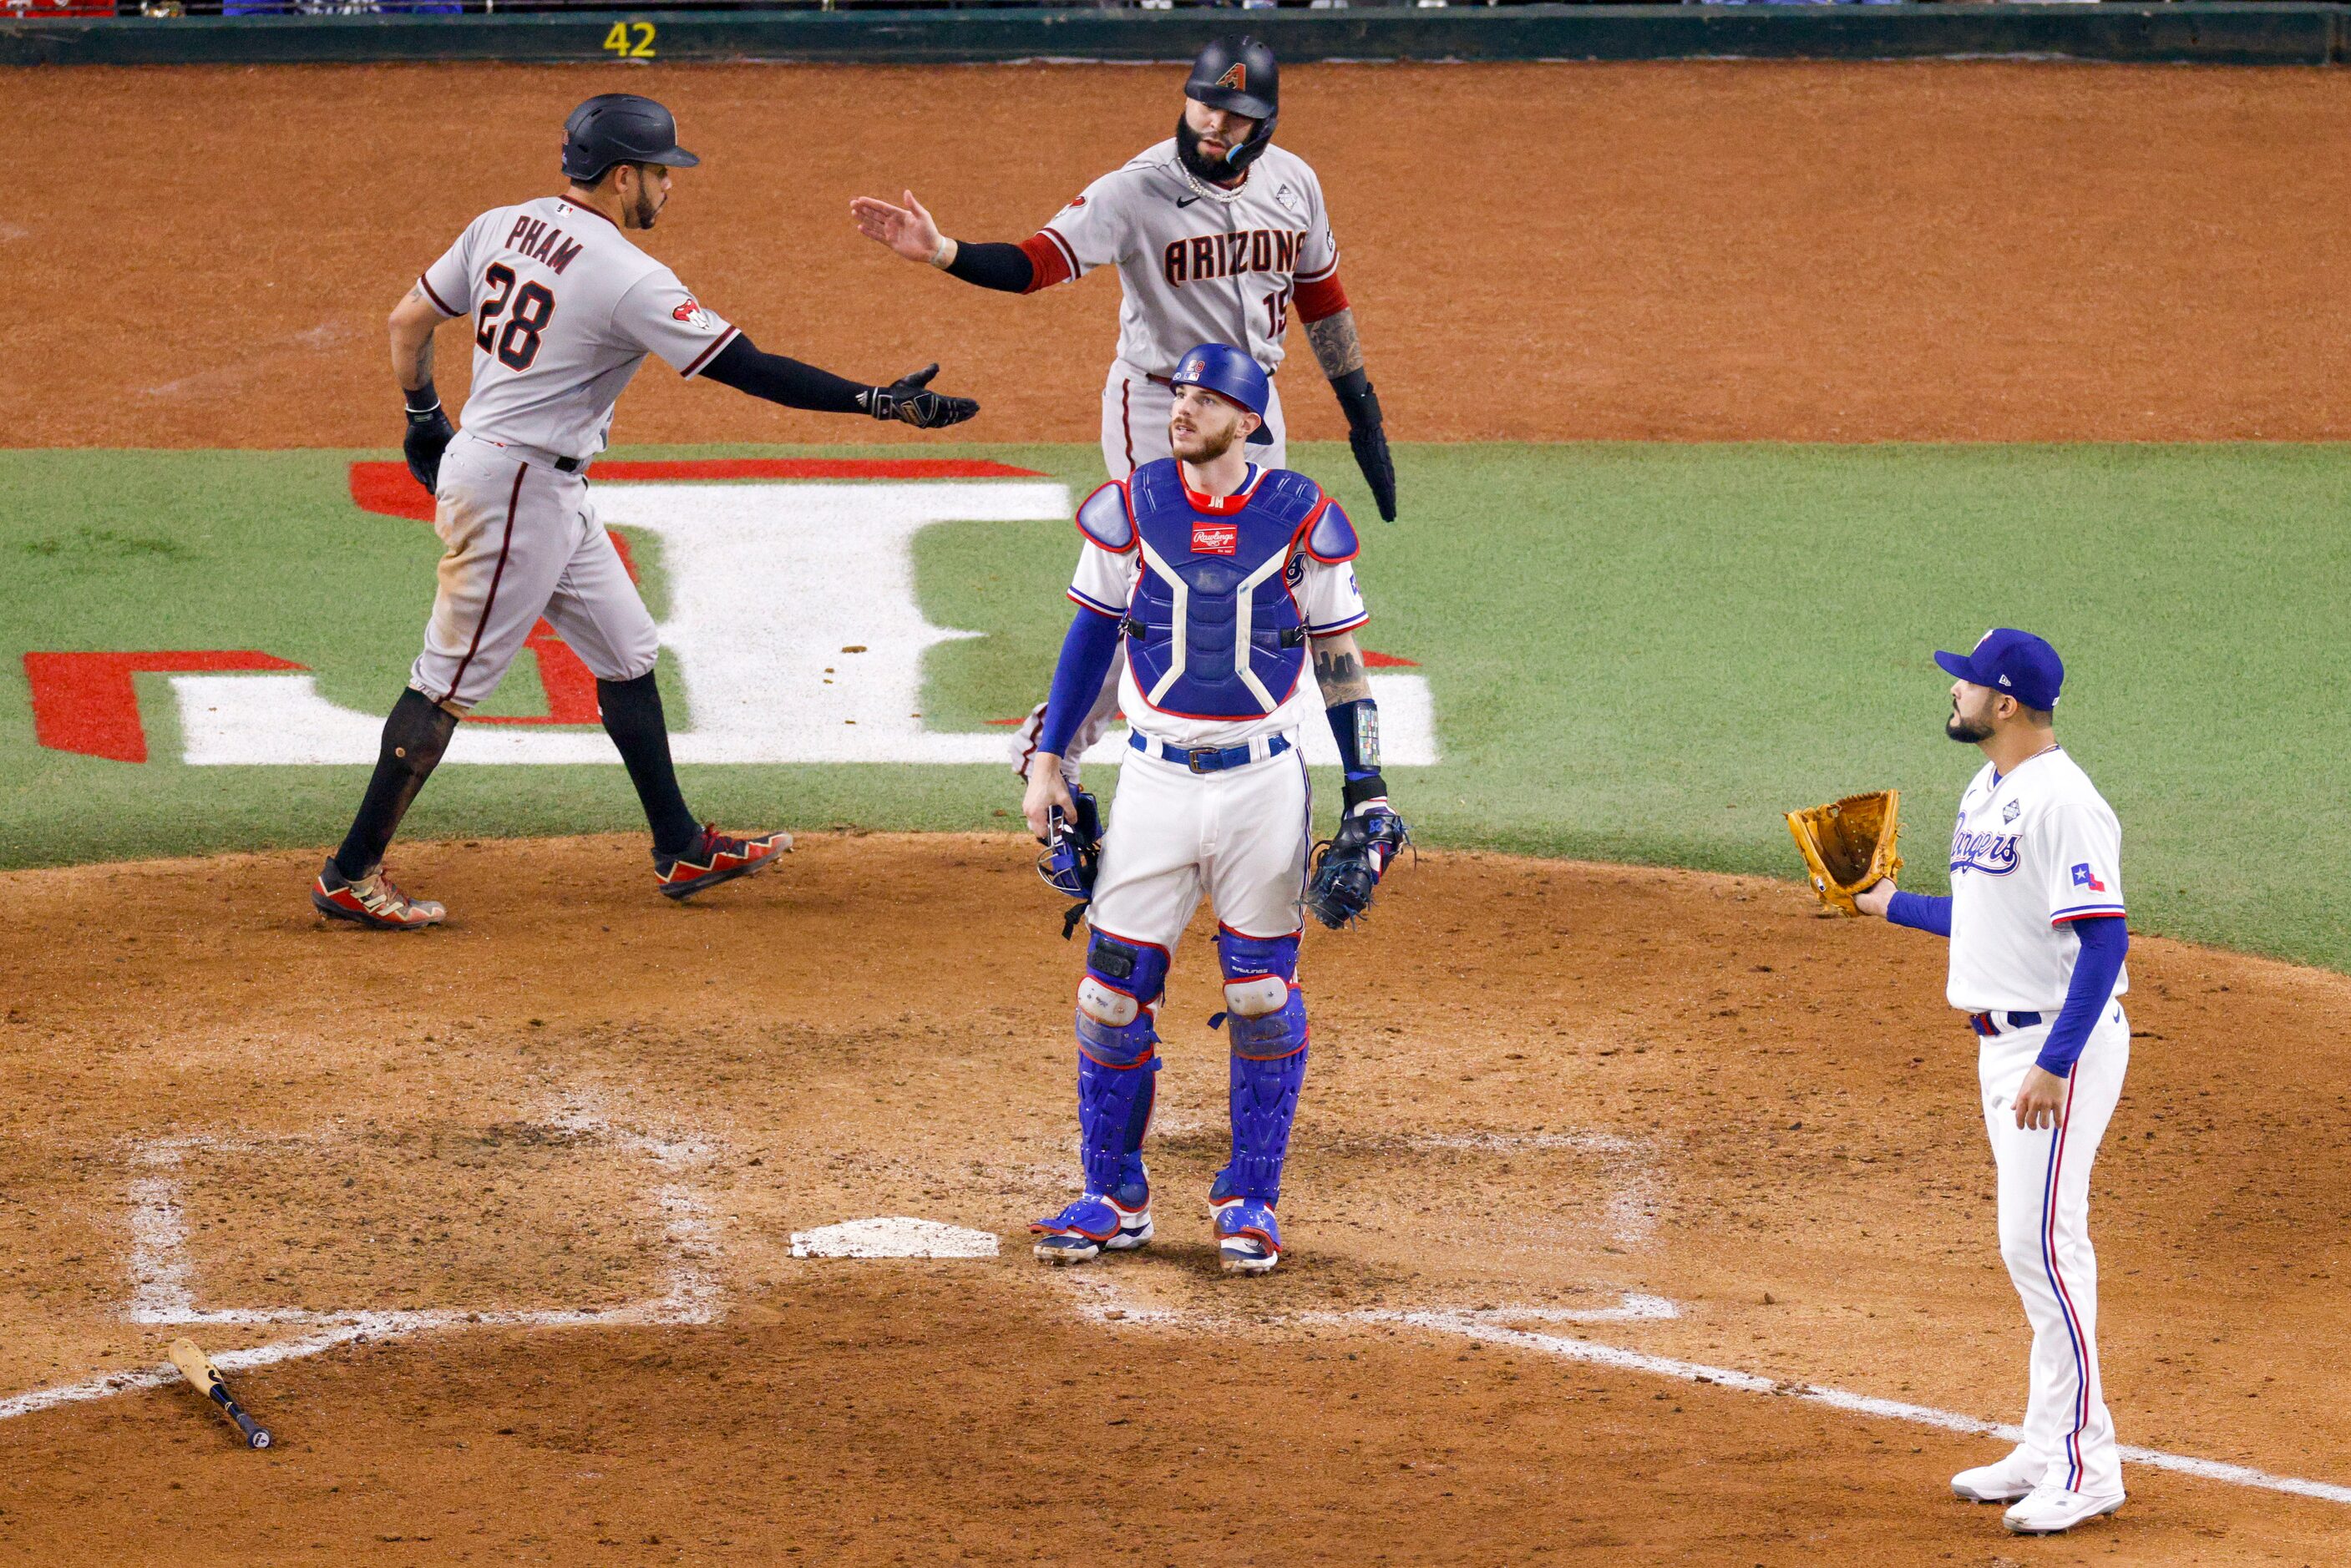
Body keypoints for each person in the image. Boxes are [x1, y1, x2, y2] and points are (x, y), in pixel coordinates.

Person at [313, 93, 978, 930]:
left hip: (535, 483)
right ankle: (352, 871)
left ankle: (680, 847)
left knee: (626, 651)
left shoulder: (501, 224)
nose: (668, 187)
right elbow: (750, 367)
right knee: (445, 683)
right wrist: (875, 402)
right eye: (662, 172)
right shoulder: (626, 275)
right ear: (623, 174)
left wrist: (421, 417)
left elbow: (407, 320)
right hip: (517, 491)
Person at [849, 36, 1397, 788]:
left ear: (1264, 121)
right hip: (1160, 407)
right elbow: (1035, 263)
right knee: (1166, 578)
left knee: (1260, 576)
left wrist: (1359, 407)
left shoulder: (1294, 183)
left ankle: (1250, 760)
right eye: (1204, 102)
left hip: (1252, 413)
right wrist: (945, 251)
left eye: (1234, 114)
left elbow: (1320, 296)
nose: (1213, 122)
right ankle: (1053, 753)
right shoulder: (1133, 190)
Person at [1019, 341, 1406, 1276]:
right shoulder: (1133, 507)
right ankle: (1112, 1196)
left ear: (1250, 421)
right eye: (1177, 394)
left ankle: (1251, 1201)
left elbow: (1341, 663)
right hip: (1154, 778)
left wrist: (1368, 787)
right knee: (1109, 995)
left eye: (1203, 397)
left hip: (1262, 783)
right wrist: (1047, 761)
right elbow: (1088, 639)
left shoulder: (1304, 517)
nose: (1181, 409)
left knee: (1260, 996)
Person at [1852, 629, 2131, 1536]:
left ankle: (2089, 1469)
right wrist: (1887, 903)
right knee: (2032, 1249)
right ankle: (2045, 1446)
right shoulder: (1988, 787)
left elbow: (2104, 940)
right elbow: (1980, 915)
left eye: (1966, 684)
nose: (1954, 693)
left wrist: (2055, 1063)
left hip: (2057, 1045)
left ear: (2003, 704)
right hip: (2001, 1045)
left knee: (2046, 1249)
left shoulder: (2064, 803)